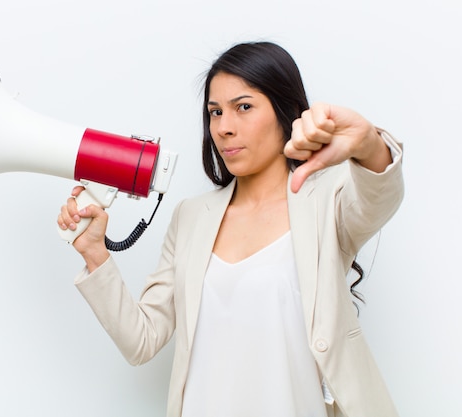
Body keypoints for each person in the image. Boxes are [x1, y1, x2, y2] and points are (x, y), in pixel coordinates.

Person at [58, 41, 404, 417]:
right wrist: (95, 252)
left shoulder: (327, 202)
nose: (224, 127)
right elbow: (141, 340)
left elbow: (378, 195)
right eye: (215, 112)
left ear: (285, 111)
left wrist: (368, 143)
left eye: (244, 107)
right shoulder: (191, 217)